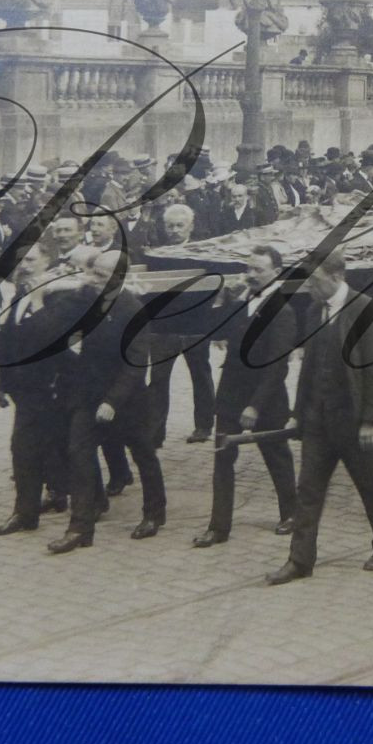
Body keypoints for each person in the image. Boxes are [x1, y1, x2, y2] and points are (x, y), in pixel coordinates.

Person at [266, 249, 373, 584]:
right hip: (318, 421)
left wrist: (371, 419)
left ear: (337, 276)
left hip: (355, 421)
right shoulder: (314, 311)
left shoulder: (365, 309)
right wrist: (298, 413)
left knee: (371, 487)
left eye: (314, 281)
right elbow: (309, 369)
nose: (308, 288)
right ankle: (300, 560)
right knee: (308, 491)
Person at [47, 251, 160, 552]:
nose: (92, 279)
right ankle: (80, 527)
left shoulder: (132, 310)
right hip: (88, 395)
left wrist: (113, 401)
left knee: (144, 455)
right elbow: (58, 316)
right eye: (93, 272)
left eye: (99, 275)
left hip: (127, 400)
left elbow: (136, 363)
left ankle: (154, 514)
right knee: (78, 453)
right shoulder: (85, 297)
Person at [193, 245, 299, 547]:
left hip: (264, 399)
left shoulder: (283, 311)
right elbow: (214, 330)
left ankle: (291, 513)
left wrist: (255, 405)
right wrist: (228, 297)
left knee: (277, 457)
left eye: (258, 270)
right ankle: (218, 527)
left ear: (276, 274)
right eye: (249, 268)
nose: (251, 275)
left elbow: (277, 366)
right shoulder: (242, 300)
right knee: (222, 459)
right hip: (230, 395)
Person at [0, 240, 79, 534]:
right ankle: (55, 497)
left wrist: (39, 301)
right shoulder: (18, 292)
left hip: (50, 385)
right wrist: (3, 383)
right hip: (24, 387)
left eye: (30, 261)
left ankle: (29, 512)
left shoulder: (60, 295)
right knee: (48, 446)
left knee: (27, 447)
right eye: (21, 262)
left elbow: (50, 337)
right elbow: (8, 341)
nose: (24, 267)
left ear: (47, 262)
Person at [146, 203, 217, 449]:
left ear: (191, 226)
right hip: (163, 329)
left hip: (195, 327)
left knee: (200, 375)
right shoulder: (155, 256)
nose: (174, 230)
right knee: (157, 380)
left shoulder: (204, 254)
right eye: (170, 226)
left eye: (180, 225)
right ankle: (155, 431)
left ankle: (204, 425)